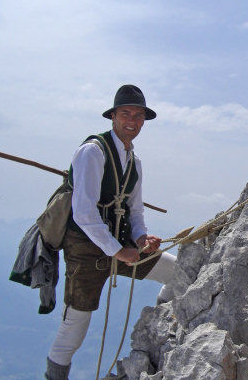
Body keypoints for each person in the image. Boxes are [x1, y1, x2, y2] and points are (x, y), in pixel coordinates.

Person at [44, 85, 176, 380]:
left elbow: (136, 212)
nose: (133, 120)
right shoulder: (93, 152)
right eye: (126, 113)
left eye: (139, 115)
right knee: (75, 326)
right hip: (86, 249)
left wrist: (142, 239)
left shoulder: (134, 162)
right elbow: (84, 212)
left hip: (122, 243)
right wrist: (118, 250)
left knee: (176, 272)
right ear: (113, 116)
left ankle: (160, 324)